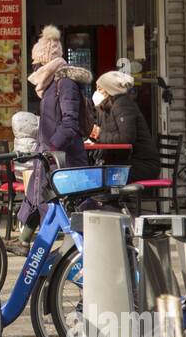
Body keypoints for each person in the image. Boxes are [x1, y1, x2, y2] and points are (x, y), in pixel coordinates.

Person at [15, 25, 93, 248]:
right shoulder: (52, 85)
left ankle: (70, 249)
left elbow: (69, 123)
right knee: (37, 195)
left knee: (61, 206)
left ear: (45, 62)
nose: (35, 68)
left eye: (37, 64)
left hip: (62, 158)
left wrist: (50, 146)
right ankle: (25, 241)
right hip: (51, 156)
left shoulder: (64, 83)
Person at [90, 70, 160, 182]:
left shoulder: (123, 105)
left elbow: (126, 138)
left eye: (99, 89)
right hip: (129, 162)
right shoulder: (109, 107)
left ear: (109, 90)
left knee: (102, 178)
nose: (96, 92)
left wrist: (99, 134)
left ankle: (107, 199)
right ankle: (107, 199)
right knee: (97, 174)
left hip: (143, 164)